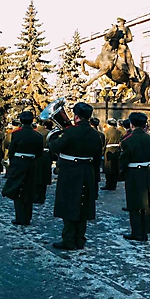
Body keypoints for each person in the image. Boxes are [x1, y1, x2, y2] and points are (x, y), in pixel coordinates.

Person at [50, 102, 102, 250]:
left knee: (68, 205)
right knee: (83, 206)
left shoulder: (70, 132)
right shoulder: (95, 134)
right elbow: (97, 158)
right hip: (87, 171)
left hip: (70, 172)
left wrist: (55, 136)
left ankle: (68, 239)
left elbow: (55, 147)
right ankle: (80, 238)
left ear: (76, 116)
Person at [119, 112, 150, 242]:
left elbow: (123, 161)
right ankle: (145, 231)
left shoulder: (127, 141)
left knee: (134, 204)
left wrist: (122, 173)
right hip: (148, 172)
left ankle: (136, 232)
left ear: (131, 124)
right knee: (146, 204)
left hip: (134, 173)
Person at [2, 111, 44, 225]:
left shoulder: (16, 134)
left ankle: (20, 216)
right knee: (29, 190)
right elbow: (39, 153)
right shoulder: (38, 136)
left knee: (18, 190)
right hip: (31, 163)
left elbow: (12, 150)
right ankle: (27, 217)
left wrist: (12, 162)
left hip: (19, 163)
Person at [114, 17, 140, 82]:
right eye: (117, 22)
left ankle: (132, 73)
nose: (118, 23)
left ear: (123, 22)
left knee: (128, 59)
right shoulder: (116, 29)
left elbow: (130, 38)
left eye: (119, 22)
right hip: (115, 46)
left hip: (123, 46)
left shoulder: (126, 29)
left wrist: (124, 40)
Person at [34, 119, 52, 204]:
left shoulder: (35, 132)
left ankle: (36, 195)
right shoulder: (49, 132)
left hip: (37, 155)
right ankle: (42, 196)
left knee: (36, 175)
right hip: (46, 155)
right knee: (44, 175)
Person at [102, 118, 122, 190]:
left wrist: (103, 151)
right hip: (116, 150)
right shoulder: (119, 132)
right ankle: (114, 184)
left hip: (109, 150)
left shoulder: (107, 132)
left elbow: (105, 141)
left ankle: (108, 184)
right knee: (115, 168)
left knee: (108, 169)